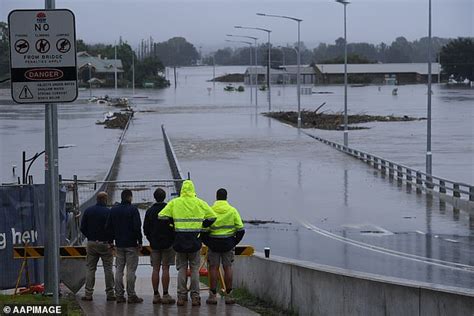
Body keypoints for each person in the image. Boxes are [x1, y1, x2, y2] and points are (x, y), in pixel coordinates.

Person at [159, 180, 216, 307]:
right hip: (195, 240)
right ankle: (195, 297)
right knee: (195, 269)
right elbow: (212, 217)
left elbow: (161, 216)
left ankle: (181, 296)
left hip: (179, 240)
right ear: (193, 190)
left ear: (182, 190)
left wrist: (172, 224)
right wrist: (201, 226)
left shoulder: (175, 202)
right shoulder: (200, 202)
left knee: (182, 269)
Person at [203, 188, 245, 305]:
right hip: (228, 244)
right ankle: (229, 295)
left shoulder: (210, 211)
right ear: (226, 197)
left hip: (214, 244)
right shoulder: (232, 211)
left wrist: (208, 243)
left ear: (216, 197)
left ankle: (212, 295)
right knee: (228, 268)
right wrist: (234, 242)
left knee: (213, 268)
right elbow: (241, 229)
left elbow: (203, 230)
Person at [105, 189, 143, 304]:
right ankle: (131, 295)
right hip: (131, 244)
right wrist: (140, 241)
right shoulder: (133, 210)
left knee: (119, 270)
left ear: (122, 197)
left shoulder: (114, 210)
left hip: (119, 245)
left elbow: (109, 227)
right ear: (130, 197)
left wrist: (111, 242)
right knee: (131, 270)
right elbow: (137, 227)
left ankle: (119, 295)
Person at [80, 192, 115, 301]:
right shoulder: (108, 212)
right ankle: (110, 294)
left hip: (91, 243)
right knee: (108, 269)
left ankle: (88, 293)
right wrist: (111, 241)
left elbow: (82, 228)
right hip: (105, 244)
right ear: (105, 200)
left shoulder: (88, 211)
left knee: (90, 268)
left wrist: (90, 236)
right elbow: (112, 229)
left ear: (97, 199)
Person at [143, 188, 176, 305]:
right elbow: (174, 226)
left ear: (154, 197)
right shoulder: (170, 209)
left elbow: (145, 228)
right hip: (168, 244)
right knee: (165, 268)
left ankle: (156, 295)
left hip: (155, 244)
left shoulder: (150, 211)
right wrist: (172, 239)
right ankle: (166, 294)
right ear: (164, 196)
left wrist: (150, 239)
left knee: (155, 269)